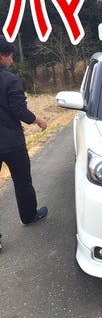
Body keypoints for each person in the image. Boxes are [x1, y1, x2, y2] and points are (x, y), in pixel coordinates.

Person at [0, 36, 48, 248]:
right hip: (12, 144)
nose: (12, 60)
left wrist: (11, 122)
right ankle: (29, 216)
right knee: (22, 181)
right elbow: (19, 110)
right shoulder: (9, 79)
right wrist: (38, 119)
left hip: (8, 134)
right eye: (10, 56)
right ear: (2, 56)